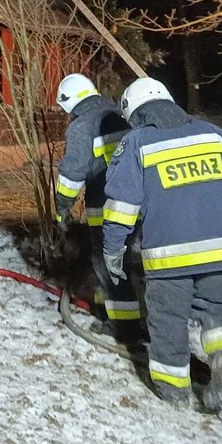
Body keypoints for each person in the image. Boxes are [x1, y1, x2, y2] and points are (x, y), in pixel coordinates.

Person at [101, 78, 222, 411]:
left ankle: (173, 387)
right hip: (221, 248)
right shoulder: (213, 134)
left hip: (170, 253)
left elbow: (121, 205)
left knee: (167, 316)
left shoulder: (137, 142)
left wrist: (113, 248)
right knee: (216, 308)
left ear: (134, 113)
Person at [53, 73, 141, 344]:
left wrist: (62, 209)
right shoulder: (119, 114)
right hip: (139, 203)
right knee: (120, 263)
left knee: (108, 263)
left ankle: (126, 330)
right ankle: (107, 311)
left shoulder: (82, 126)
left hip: (107, 206)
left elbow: (72, 173)